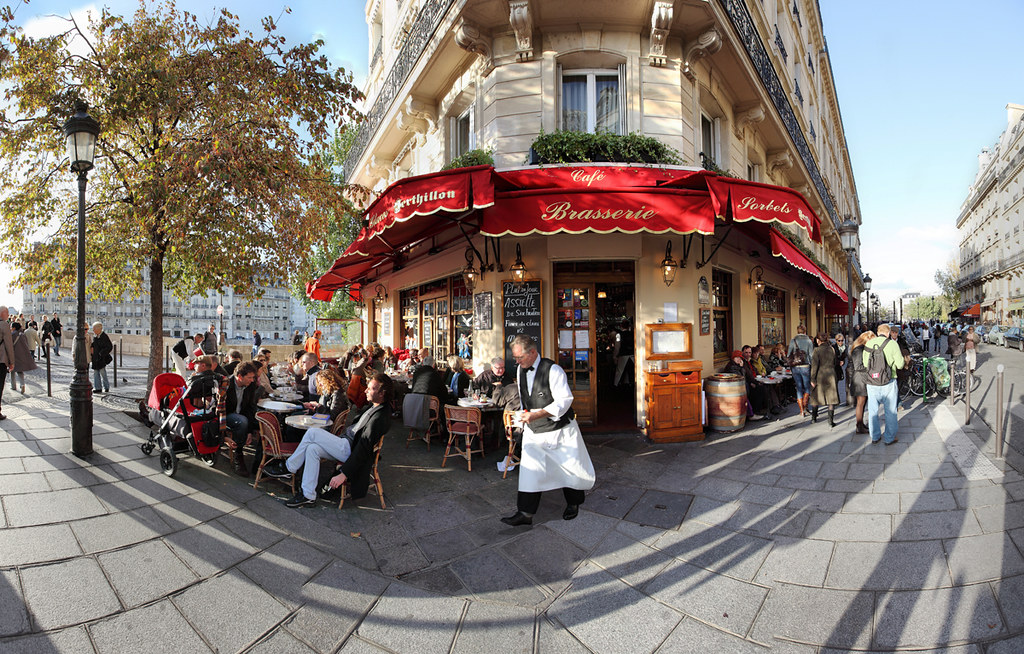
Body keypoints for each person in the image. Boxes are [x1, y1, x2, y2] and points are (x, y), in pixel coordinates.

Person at [501, 334, 595, 526]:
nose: (517, 361)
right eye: (516, 358)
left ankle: (573, 504)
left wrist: (536, 415)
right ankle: (525, 513)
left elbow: (564, 401)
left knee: (569, 468)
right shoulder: (520, 369)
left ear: (533, 352)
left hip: (560, 429)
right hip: (534, 430)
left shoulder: (553, 370)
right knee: (530, 471)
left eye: (520, 357)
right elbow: (525, 396)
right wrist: (523, 415)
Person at [265, 373, 393, 509]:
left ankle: (289, 467)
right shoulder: (375, 407)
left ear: (382, 393)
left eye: (371, 388)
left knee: (313, 432)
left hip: (350, 449)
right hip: (346, 444)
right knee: (312, 449)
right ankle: (308, 496)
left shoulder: (380, 416)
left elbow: (363, 448)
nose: (366, 390)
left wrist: (344, 473)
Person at [862, 323, 905, 445]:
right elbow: (900, 364)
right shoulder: (892, 344)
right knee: (890, 410)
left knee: (873, 410)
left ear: (877, 331)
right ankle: (889, 437)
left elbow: (865, 364)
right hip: (889, 381)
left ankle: (875, 436)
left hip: (872, 382)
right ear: (888, 333)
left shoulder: (869, 343)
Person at [224, 361, 261, 476]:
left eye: (253, 377)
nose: (252, 380)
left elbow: (250, 408)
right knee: (242, 421)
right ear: (239, 377)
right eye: (249, 377)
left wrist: (249, 431)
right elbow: (218, 410)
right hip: (227, 416)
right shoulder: (226, 385)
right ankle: (238, 454)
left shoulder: (250, 386)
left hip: (242, 415)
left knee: (264, 420)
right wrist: (223, 435)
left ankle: (259, 463)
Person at [724, 349, 770, 420]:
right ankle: (752, 414)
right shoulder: (732, 366)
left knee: (760, 388)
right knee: (756, 390)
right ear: (733, 358)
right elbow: (740, 378)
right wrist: (742, 367)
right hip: (735, 388)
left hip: (741, 386)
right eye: (737, 358)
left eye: (740, 358)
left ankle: (757, 410)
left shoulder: (737, 365)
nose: (739, 359)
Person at [809, 332, 840, 427]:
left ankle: (814, 418)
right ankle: (830, 421)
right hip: (831, 374)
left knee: (815, 397)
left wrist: (812, 379)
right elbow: (835, 362)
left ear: (818, 340)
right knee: (831, 398)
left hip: (820, 374)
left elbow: (814, 366)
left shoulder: (816, 350)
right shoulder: (832, 349)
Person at [848, 330, 874, 434]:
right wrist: (870, 367)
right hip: (860, 380)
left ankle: (861, 424)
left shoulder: (860, 348)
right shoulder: (859, 349)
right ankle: (859, 426)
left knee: (862, 403)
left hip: (861, 379)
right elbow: (858, 366)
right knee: (860, 403)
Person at [787, 325, 814, 418]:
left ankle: (801, 411)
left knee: (798, 388)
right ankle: (806, 408)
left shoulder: (793, 340)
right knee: (806, 387)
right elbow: (811, 355)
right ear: (805, 331)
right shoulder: (809, 341)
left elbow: (788, 354)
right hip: (805, 365)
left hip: (795, 366)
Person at [9, 321, 37, 395]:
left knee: (12, 370)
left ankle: (13, 386)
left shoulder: (12, 335)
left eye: (11, 327)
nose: (10, 328)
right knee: (20, 371)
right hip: (21, 355)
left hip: (13, 354)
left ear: (14, 328)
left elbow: (9, 345)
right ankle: (22, 384)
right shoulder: (22, 335)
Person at [89, 322, 113, 394]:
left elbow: (109, 347)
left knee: (103, 373)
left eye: (94, 329)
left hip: (101, 358)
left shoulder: (104, 336)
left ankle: (106, 387)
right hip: (95, 358)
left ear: (98, 329)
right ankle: (98, 388)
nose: (93, 331)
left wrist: (101, 353)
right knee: (96, 373)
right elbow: (94, 344)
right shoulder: (95, 336)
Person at [612, 319, 635, 387]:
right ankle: (630, 385)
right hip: (632, 355)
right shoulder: (633, 333)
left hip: (623, 355)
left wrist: (615, 355)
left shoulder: (619, 335)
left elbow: (617, 346)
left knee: (619, 372)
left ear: (621, 326)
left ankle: (616, 386)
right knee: (631, 371)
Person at [0, 306, 13, 419]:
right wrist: (12, 362)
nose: (8, 315)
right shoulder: (4, 325)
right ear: (2, 313)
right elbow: (9, 345)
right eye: (7, 313)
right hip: (1, 360)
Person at [832, 331, 847, 404]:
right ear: (836, 340)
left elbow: (844, 357)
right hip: (833, 367)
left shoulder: (845, 347)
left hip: (839, 368)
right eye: (839, 340)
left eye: (842, 340)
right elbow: (832, 358)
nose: (841, 342)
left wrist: (843, 361)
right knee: (834, 384)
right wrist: (839, 362)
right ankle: (835, 400)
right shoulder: (833, 347)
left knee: (836, 383)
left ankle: (836, 399)